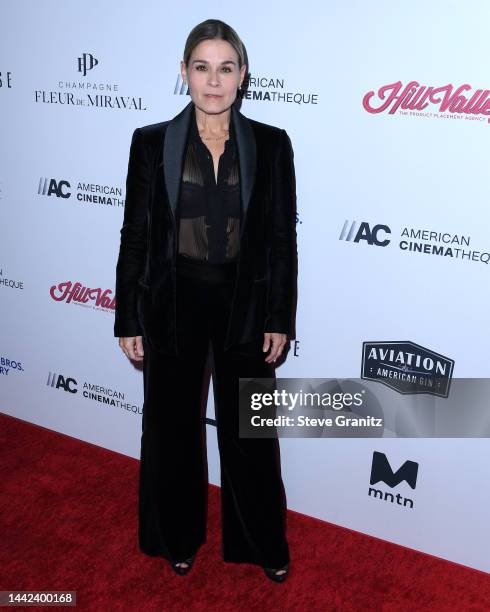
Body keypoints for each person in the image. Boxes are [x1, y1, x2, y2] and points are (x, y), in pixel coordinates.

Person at [114, 18, 298, 583]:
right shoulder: (151, 143)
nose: (212, 81)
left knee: (251, 432)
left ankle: (262, 542)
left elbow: (280, 239)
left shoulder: (270, 143)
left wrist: (278, 316)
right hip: (172, 303)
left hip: (245, 304)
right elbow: (136, 235)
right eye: (201, 67)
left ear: (242, 76)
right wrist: (126, 315)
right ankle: (177, 535)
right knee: (172, 429)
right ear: (184, 72)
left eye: (225, 68)